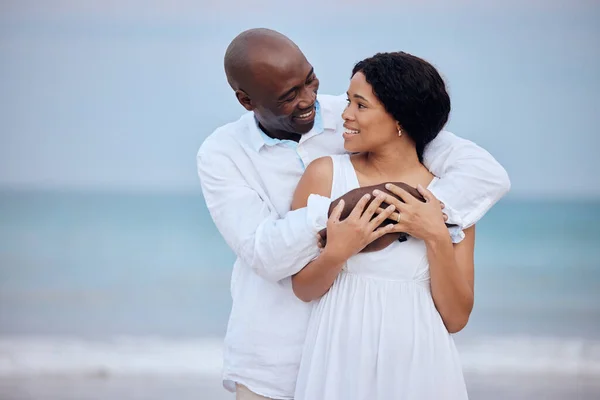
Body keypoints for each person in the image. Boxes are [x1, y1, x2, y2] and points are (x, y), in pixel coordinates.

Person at [196, 28, 510, 400]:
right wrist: (345, 216)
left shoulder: (355, 114)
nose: (309, 99)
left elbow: (479, 171)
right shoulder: (221, 154)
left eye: (310, 80)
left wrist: (423, 221)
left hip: (399, 366)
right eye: (289, 95)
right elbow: (264, 254)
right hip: (273, 363)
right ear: (247, 101)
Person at [292, 51, 477, 400]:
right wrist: (338, 253)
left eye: (360, 105)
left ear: (400, 119)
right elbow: (303, 290)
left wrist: (435, 235)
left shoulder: (450, 197)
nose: (345, 114)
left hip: (421, 367)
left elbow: (455, 318)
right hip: (337, 362)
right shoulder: (325, 175)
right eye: (348, 101)